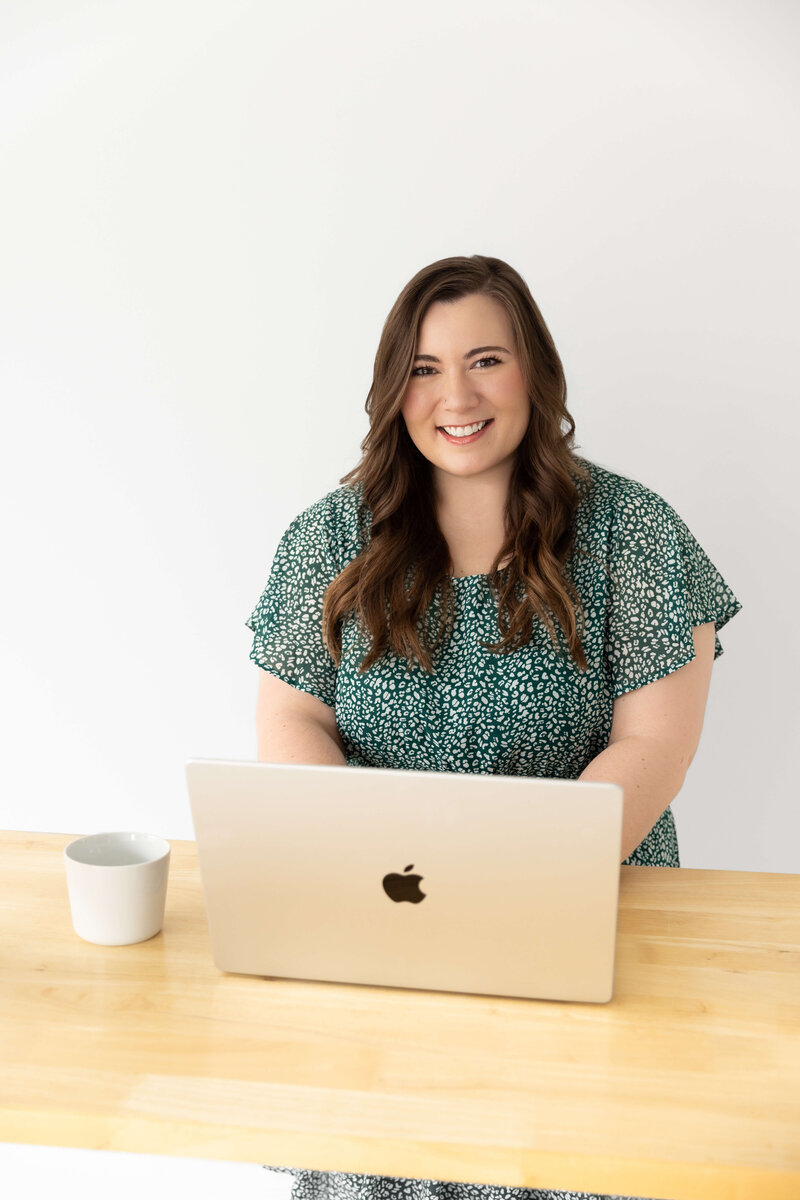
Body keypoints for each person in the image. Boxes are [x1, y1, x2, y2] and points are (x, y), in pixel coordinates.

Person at [245, 255, 742, 1200]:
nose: (456, 395)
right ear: (395, 389)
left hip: (587, 927)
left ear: (535, 375)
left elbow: (655, 747)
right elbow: (294, 713)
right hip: (385, 941)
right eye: (425, 369)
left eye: (486, 360)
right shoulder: (329, 535)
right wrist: (361, 860)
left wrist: (521, 888)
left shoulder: (630, 531)